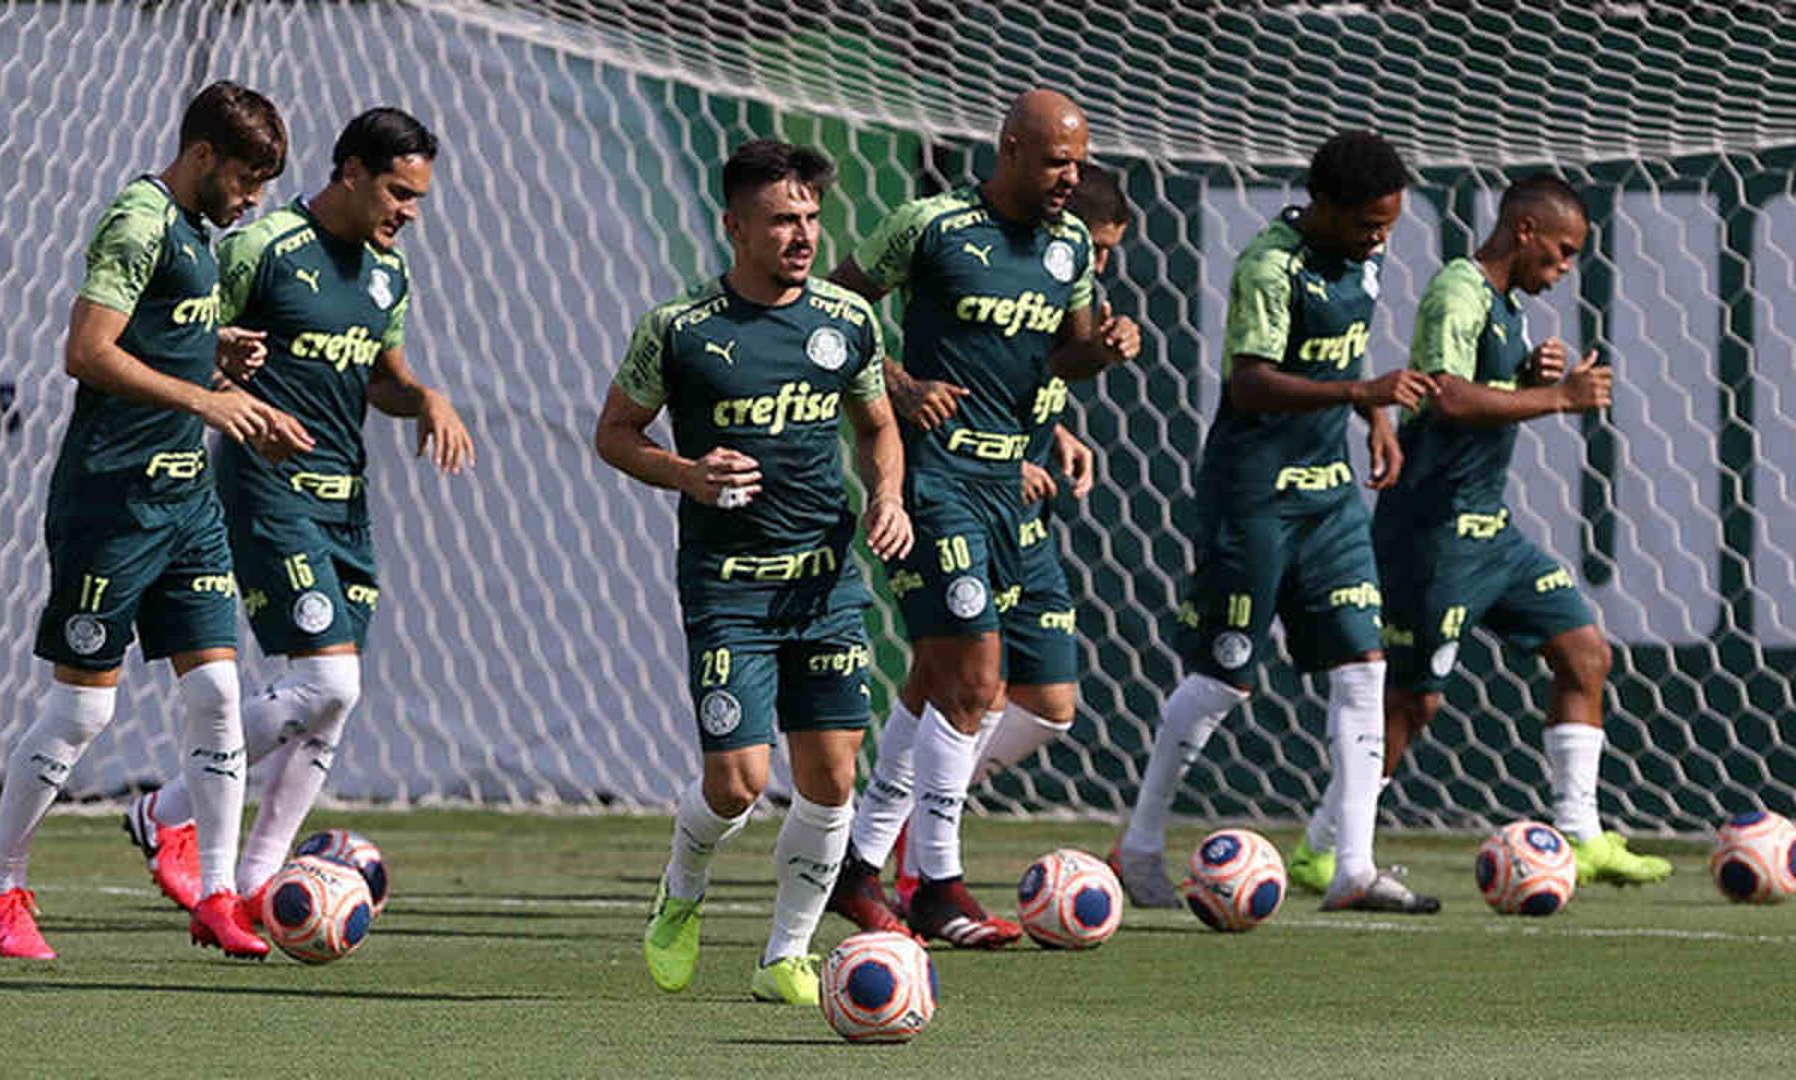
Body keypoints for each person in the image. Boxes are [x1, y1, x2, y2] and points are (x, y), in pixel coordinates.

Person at [0, 81, 306, 960]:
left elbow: (154, 335)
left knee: (219, 693)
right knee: (82, 714)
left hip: (186, 500)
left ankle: (220, 895)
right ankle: (1, 887)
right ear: (201, 156)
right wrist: (203, 391)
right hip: (112, 501)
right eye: (245, 179)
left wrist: (218, 360)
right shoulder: (140, 218)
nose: (252, 200)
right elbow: (86, 351)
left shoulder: (198, 232)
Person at [124, 107, 474, 913]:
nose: (408, 212)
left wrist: (426, 397)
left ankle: (255, 881)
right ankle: (164, 810)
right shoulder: (260, 248)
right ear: (349, 171)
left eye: (419, 198)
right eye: (398, 192)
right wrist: (235, 396)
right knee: (329, 682)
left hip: (344, 500)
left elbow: (378, 377)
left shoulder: (389, 272)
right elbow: (186, 346)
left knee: (330, 699)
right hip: (262, 487)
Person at [1288, 173, 1673, 892]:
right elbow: (1448, 396)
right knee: (1412, 701)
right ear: (1523, 230)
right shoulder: (1459, 291)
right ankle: (1324, 844)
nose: (1562, 271)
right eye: (1559, 253)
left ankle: (1581, 835)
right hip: (1432, 534)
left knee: (1584, 654)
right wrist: (1555, 397)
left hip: (1489, 529)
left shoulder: (1507, 307)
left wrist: (1529, 369)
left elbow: (1483, 383)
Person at [596, 139, 912, 1004]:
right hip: (729, 584)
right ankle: (682, 887)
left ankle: (785, 954)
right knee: (736, 785)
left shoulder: (847, 320)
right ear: (736, 227)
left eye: (811, 217)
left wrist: (889, 497)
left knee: (832, 776)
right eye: (782, 220)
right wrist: (688, 474)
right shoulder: (680, 330)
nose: (802, 234)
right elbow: (616, 433)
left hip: (826, 581)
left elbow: (879, 425)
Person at [825, 90, 1141, 948]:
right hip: (937, 482)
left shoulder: (1072, 242)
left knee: (1029, 694)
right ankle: (936, 883)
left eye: (1077, 162)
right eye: (1053, 162)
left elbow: (1061, 355)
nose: (1068, 177)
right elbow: (834, 311)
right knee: (972, 681)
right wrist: (900, 385)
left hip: (1017, 488)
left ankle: (857, 867)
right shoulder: (929, 225)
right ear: (1007, 150)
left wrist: (1102, 352)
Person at [1111, 130, 1441, 914]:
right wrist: (1360, 398)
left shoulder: (1363, 256)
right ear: (1324, 205)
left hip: (1327, 497)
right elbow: (1252, 383)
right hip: (1252, 492)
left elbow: (1343, 356)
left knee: (1364, 667)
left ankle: (1353, 867)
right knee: (1223, 678)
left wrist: (1376, 421)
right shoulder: (1270, 265)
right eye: (1368, 224)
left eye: (1389, 225)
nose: (1380, 238)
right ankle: (1141, 845)